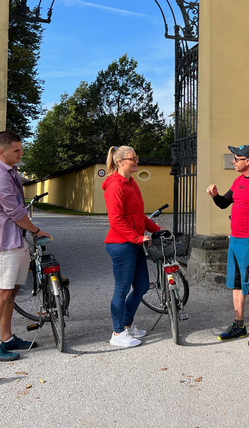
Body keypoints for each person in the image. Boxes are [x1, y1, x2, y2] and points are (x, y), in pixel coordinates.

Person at [0, 131, 51, 361]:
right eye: (16, 150)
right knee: (1, 292)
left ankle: (7, 338)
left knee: (12, 291)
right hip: (3, 243)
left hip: (14, 241)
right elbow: (14, 211)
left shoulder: (10, 172)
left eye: (21, 149)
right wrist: (35, 230)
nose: (21, 154)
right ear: (1, 152)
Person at [206, 144, 249, 348]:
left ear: (248, 161)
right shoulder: (238, 181)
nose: (233, 161)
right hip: (234, 241)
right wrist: (215, 195)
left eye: (237, 158)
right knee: (236, 285)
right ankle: (239, 325)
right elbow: (224, 203)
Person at [102, 145, 163, 348]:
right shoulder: (115, 186)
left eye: (137, 157)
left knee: (143, 286)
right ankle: (118, 333)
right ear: (120, 162)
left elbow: (139, 215)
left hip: (133, 242)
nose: (137, 161)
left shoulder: (131, 183)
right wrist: (138, 238)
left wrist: (156, 229)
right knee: (121, 289)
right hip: (120, 244)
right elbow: (116, 220)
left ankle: (127, 324)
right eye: (133, 158)